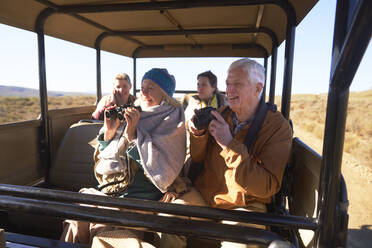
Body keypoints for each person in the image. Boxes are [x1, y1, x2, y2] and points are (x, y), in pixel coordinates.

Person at [161, 59, 293, 248]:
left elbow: (267, 187)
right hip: (207, 197)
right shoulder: (221, 114)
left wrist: (229, 144)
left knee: (241, 243)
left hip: (245, 205)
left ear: (258, 88)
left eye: (237, 84)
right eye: (228, 84)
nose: (229, 90)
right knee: (168, 218)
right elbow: (198, 158)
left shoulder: (277, 128)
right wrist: (198, 134)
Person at [61, 68, 187, 247]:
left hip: (140, 196)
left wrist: (132, 137)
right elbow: (107, 155)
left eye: (150, 88)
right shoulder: (135, 112)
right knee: (75, 220)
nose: (143, 92)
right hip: (111, 190)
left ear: (165, 93)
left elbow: (161, 170)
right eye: (142, 87)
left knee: (105, 230)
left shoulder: (172, 120)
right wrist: (110, 132)